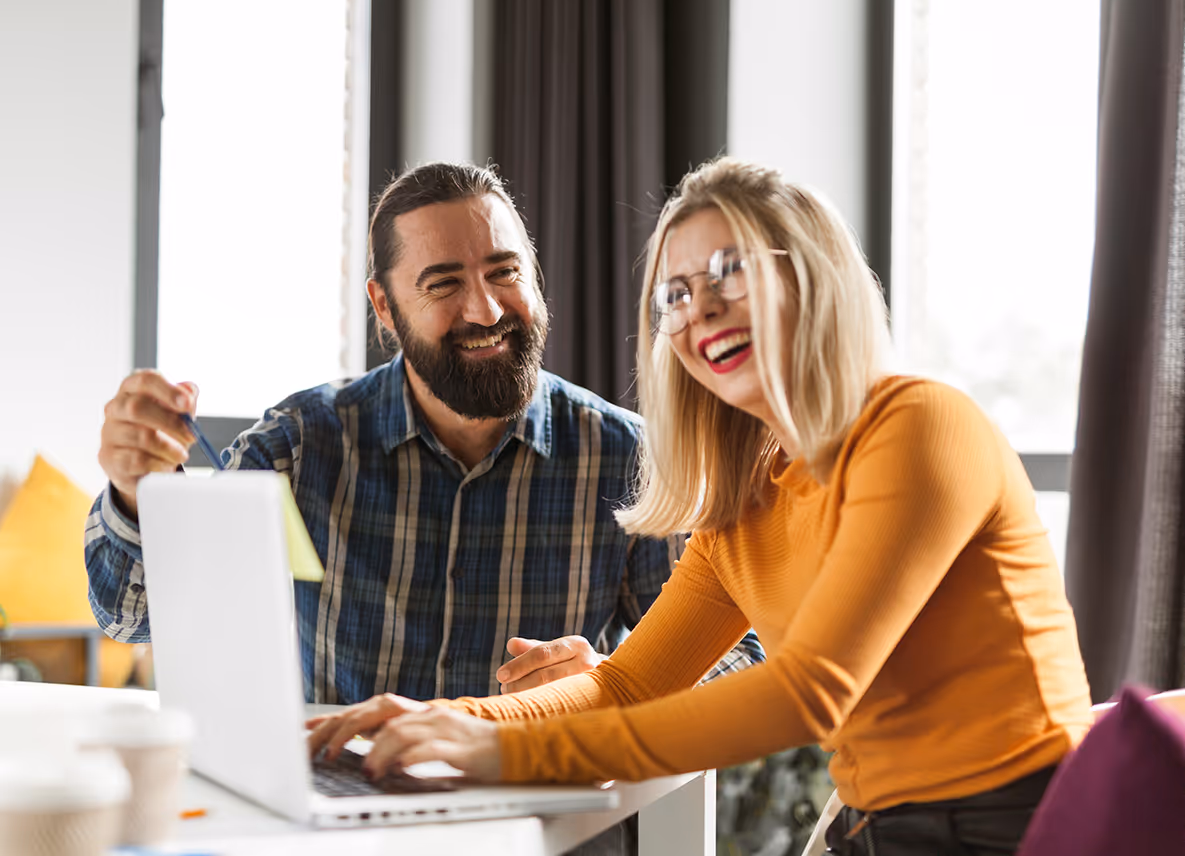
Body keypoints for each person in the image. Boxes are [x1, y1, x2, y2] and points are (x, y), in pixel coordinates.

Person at [306, 158, 1095, 856]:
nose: (699, 309)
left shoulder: (919, 426)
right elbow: (624, 684)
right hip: (875, 826)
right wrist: (443, 719)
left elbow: (807, 689)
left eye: (729, 270)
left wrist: (501, 753)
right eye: (674, 294)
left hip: (1015, 825)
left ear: (810, 274)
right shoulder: (742, 502)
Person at [84, 161, 765, 711]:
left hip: (539, 820)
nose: (487, 309)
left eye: (503, 271)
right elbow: (133, 616)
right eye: (443, 284)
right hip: (346, 823)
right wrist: (134, 489)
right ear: (384, 306)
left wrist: (614, 678)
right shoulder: (299, 445)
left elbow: (740, 659)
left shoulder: (630, 458)